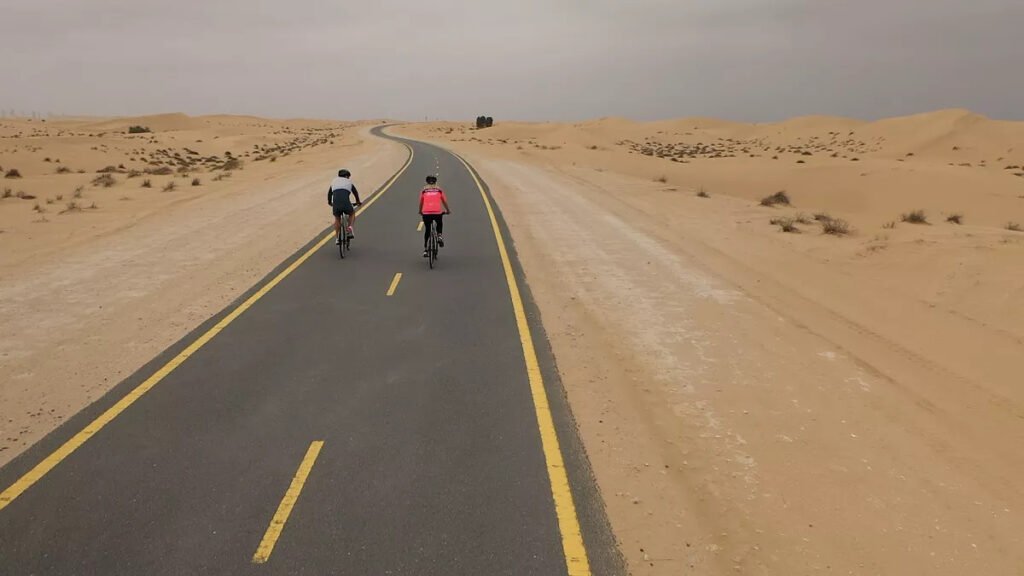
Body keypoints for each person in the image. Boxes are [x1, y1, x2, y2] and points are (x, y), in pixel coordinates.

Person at [418, 175, 450, 257]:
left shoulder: (424, 190)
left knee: (427, 230)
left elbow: (421, 202)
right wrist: (447, 210)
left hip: (426, 213)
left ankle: (425, 250)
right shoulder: (439, 190)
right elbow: (444, 201)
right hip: (437, 212)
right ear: (435, 182)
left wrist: (420, 211)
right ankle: (439, 235)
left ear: (427, 182)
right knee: (439, 223)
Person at [327, 169, 362, 244]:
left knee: (337, 218)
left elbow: (329, 194)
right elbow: (355, 193)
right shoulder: (349, 182)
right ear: (346, 176)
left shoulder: (334, 181)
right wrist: (358, 202)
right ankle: (350, 227)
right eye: (348, 177)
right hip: (346, 203)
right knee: (352, 213)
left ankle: (337, 238)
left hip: (336, 204)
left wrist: (330, 202)